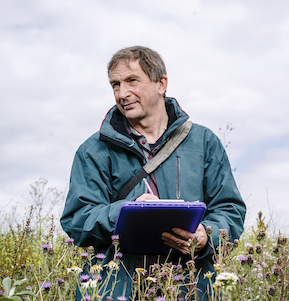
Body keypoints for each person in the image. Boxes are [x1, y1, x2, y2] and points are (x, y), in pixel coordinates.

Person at [60, 46, 246, 300]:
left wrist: (206, 236)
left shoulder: (203, 142)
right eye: (115, 84)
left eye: (132, 81)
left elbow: (230, 210)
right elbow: (76, 220)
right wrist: (126, 211)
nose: (122, 93)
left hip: (189, 287)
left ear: (161, 83)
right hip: (117, 288)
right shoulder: (93, 150)